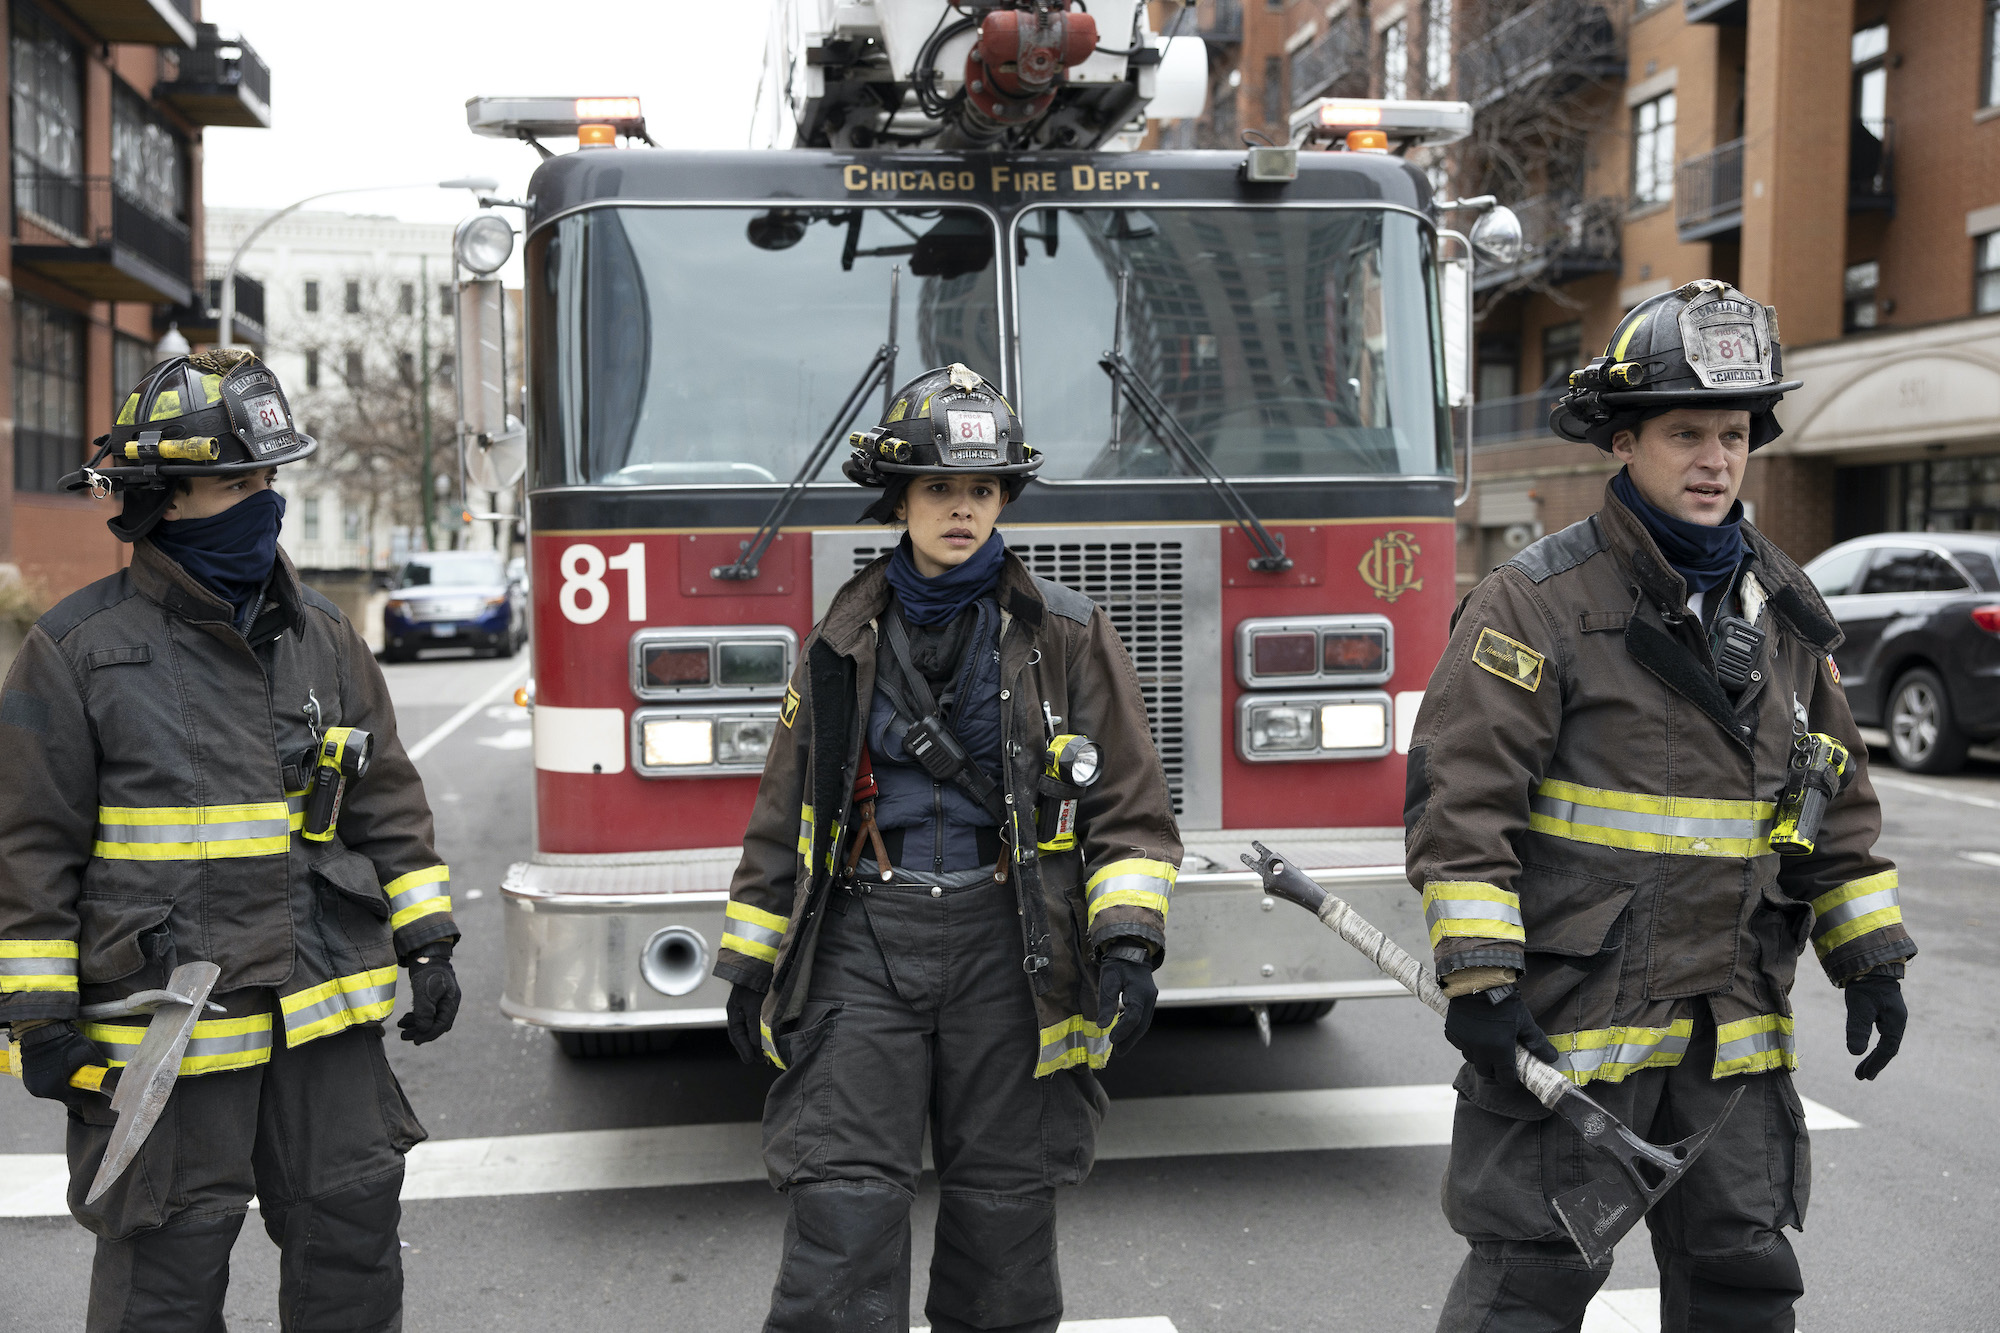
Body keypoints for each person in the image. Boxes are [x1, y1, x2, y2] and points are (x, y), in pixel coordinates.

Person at [1406, 281, 1915, 1333]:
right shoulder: (1536, 602)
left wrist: (1868, 955)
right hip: (1574, 1024)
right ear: (1623, 441)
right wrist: (1481, 979)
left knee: (1741, 1281)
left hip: (1729, 1031)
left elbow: (1832, 793)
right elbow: (1465, 803)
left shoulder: (1780, 610)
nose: (1714, 459)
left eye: (1732, 434)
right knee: (1527, 1285)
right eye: (1685, 431)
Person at [0, 350, 460, 1331]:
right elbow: (29, 849)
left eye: (266, 479)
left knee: (351, 1245)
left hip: (320, 1014)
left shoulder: (325, 636)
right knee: (163, 1275)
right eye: (234, 482)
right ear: (162, 499)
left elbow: (384, 798)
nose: (262, 503)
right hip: (168, 1036)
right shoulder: (77, 652)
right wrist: (38, 1016)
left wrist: (429, 936)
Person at [716, 363, 1182, 1333]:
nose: (961, 509)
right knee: (841, 1203)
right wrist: (752, 964)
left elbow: (1130, 809)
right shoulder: (841, 636)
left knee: (1002, 1211)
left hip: (1009, 947)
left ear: (1003, 498)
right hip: (863, 942)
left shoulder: (1066, 633)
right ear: (901, 500)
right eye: (939, 489)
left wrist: (1129, 944)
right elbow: (785, 811)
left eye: (979, 490)